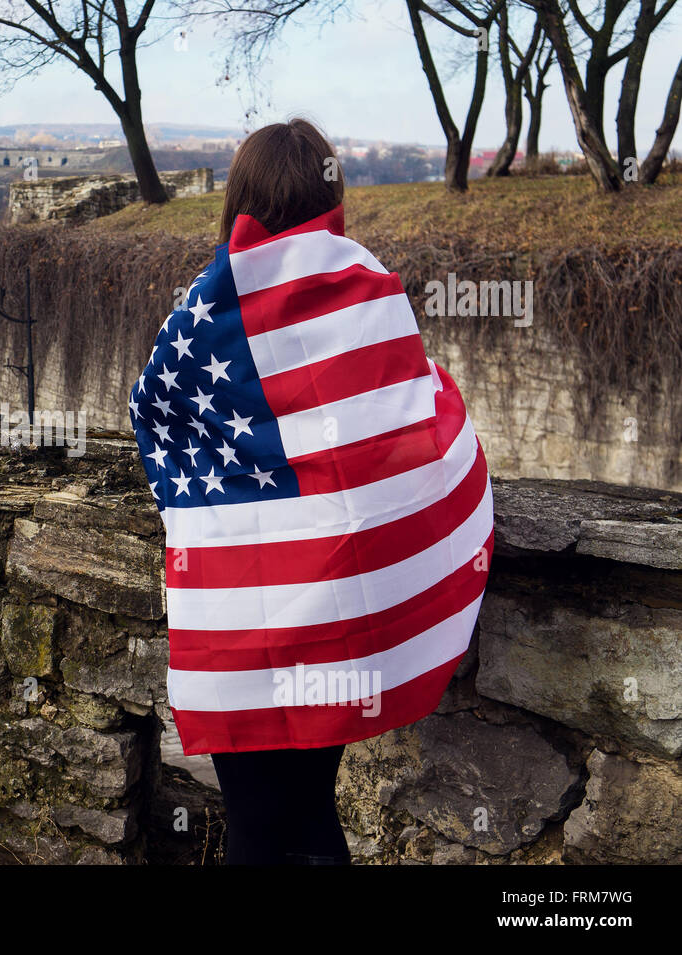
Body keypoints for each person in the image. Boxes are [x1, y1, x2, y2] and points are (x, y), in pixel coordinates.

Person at [128, 119, 493, 865]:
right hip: (337, 620)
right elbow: (405, 414)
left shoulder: (214, 301)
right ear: (331, 192)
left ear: (240, 197)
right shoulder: (365, 284)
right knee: (308, 807)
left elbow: (153, 413)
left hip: (246, 615)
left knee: (259, 823)